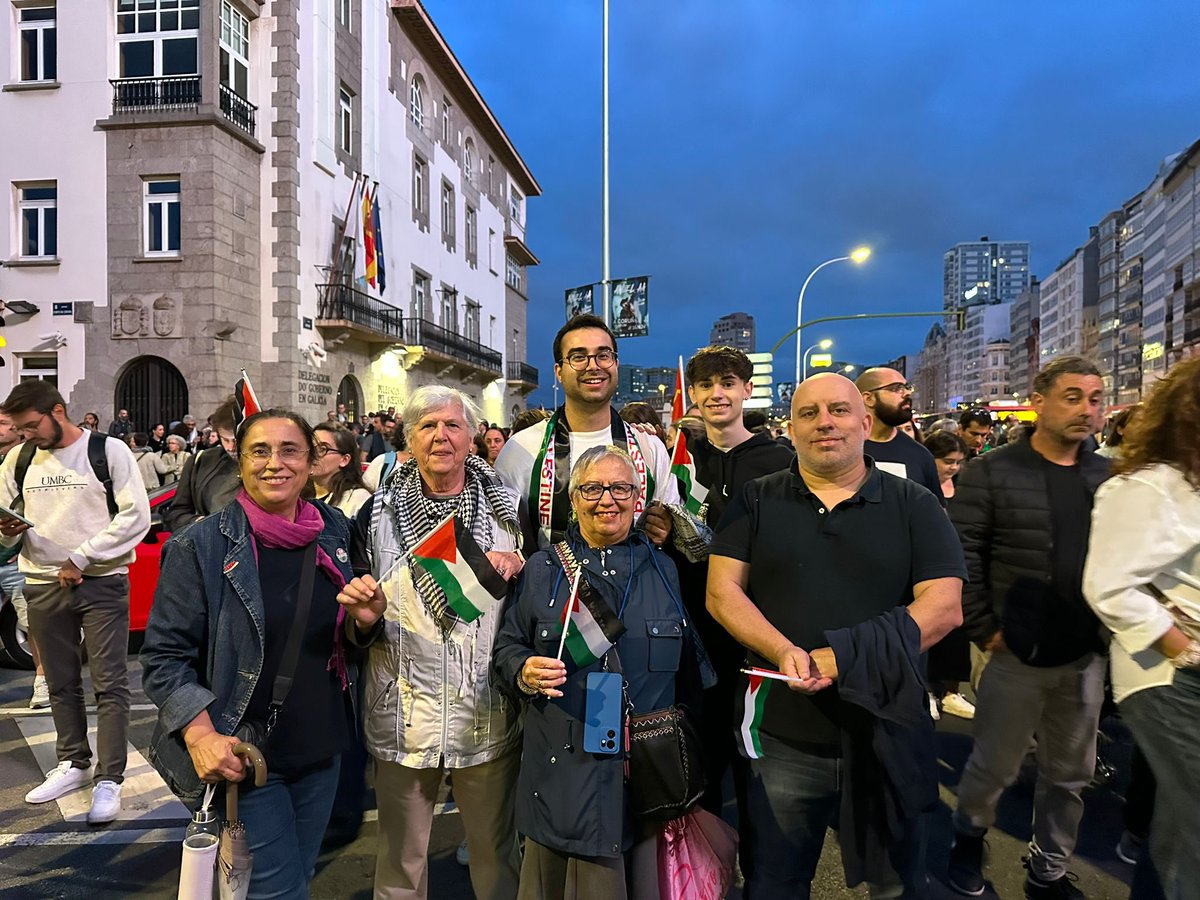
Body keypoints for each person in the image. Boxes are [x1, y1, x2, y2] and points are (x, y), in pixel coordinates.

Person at [707, 372, 965, 898]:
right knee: (775, 881)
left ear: (865, 422)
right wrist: (783, 651)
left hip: (887, 726)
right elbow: (722, 593)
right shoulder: (755, 500)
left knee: (897, 882)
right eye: (809, 413)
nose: (825, 422)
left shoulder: (914, 503)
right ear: (792, 430)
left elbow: (944, 609)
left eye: (839, 410)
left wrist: (840, 658)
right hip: (781, 735)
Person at [141, 408, 384, 898]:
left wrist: (366, 621)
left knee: (299, 874)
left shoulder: (334, 529)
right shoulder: (202, 545)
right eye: (260, 451)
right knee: (279, 890)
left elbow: (350, 639)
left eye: (290, 450)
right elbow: (164, 658)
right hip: (246, 755)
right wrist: (200, 735)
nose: (275, 463)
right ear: (240, 462)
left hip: (323, 749)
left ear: (312, 461)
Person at [340, 385, 524, 900]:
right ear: (408, 439)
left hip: (486, 712)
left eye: (453, 425)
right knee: (400, 866)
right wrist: (363, 621)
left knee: (496, 858)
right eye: (427, 426)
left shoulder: (511, 514)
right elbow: (358, 620)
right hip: (401, 714)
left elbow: (531, 613)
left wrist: (523, 565)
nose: (440, 436)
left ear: (473, 438)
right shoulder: (372, 516)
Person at [493, 445, 698, 898]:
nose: (608, 499)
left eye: (620, 487)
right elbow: (507, 647)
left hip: (648, 777)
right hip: (564, 774)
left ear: (637, 497)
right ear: (573, 499)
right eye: (592, 488)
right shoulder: (543, 570)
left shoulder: (665, 570)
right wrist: (523, 670)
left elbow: (690, 675)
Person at [946, 356, 1110, 899]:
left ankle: (1050, 868)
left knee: (1070, 774)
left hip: (1085, 653)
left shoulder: (1106, 475)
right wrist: (984, 628)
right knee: (994, 765)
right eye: (1072, 396)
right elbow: (963, 554)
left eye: (1094, 398)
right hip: (1014, 650)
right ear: (1038, 400)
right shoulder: (991, 471)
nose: (1086, 409)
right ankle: (967, 841)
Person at [0, 381, 151, 824]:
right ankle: (74, 762)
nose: (27, 435)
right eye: (20, 428)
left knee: (110, 683)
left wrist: (81, 557)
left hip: (101, 581)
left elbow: (135, 516)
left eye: (32, 426)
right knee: (61, 682)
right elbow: (9, 512)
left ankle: (110, 778)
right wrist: (10, 531)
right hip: (41, 580)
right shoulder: (19, 458)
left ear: (58, 411)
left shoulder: (109, 451)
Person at [1083, 357, 1200, 900]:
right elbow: (1108, 585)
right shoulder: (1152, 487)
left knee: (1183, 824)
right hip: (1168, 672)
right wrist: (1182, 646)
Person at [670, 345, 794, 817]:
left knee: (756, 757)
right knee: (700, 754)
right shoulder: (677, 458)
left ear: (747, 389)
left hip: (753, 628)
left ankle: (759, 860)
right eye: (705, 385)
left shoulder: (780, 461)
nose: (716, 394)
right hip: (691, 625)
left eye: (727, 384)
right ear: (694, 394)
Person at [494, 314, 677, 553]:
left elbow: (673, 528)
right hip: (550, 588)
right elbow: (507, 543)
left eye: (603, 355)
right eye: (578, 357)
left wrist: (667, 530)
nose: (593, 366)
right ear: (559, 371)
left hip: (636, 585)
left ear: (616, 364)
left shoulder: (649, 448)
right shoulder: (520, 449)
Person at [922, 430, 976, 721]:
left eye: (959, 461)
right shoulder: (921, 489)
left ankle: (951, 691)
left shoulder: (966, 487)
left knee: (957, 637)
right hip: (930, 571)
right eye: (947, 461)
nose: (954, 467)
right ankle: (928, 690)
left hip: (962, 569)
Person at [0, 411, 44, 709]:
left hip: (18, 558)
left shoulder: (31, 462)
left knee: (35, 625)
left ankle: (44, 682)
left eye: (2, 423)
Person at [856, 368, 944, 503]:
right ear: (869, 398)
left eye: (907, 387)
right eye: (896, 388)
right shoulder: (842, 447)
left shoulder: (920, 455)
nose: (907, 393)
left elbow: (937, 514)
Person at [163, 398, 241, 531]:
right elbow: (176, 515)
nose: (231, 447)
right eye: (225, 439)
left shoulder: (271, 464)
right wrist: (199, 522)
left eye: (236, 440)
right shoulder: (200, 461)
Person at [309, 423, 371, 519]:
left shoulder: (358, 500)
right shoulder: (296, 493)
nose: (312, 455)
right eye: (310, 448)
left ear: (344, 459)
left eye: (322, 449)